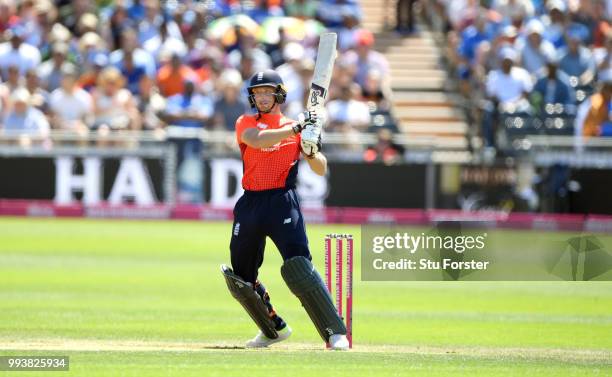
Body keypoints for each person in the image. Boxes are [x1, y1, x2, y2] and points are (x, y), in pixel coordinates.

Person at [220, 70, 349, 350]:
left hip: (282, 201)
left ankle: (335, 333)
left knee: (299, 266)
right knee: (241, 278)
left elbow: (320, 167)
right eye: (257, 93)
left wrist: (311, 150)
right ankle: (273, 329)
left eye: (267, 92)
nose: (262, 97)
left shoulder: (296, 126)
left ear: (278, 93)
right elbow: (257, 140)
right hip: (251, 202)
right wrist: (295, 130)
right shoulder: (246, 122)